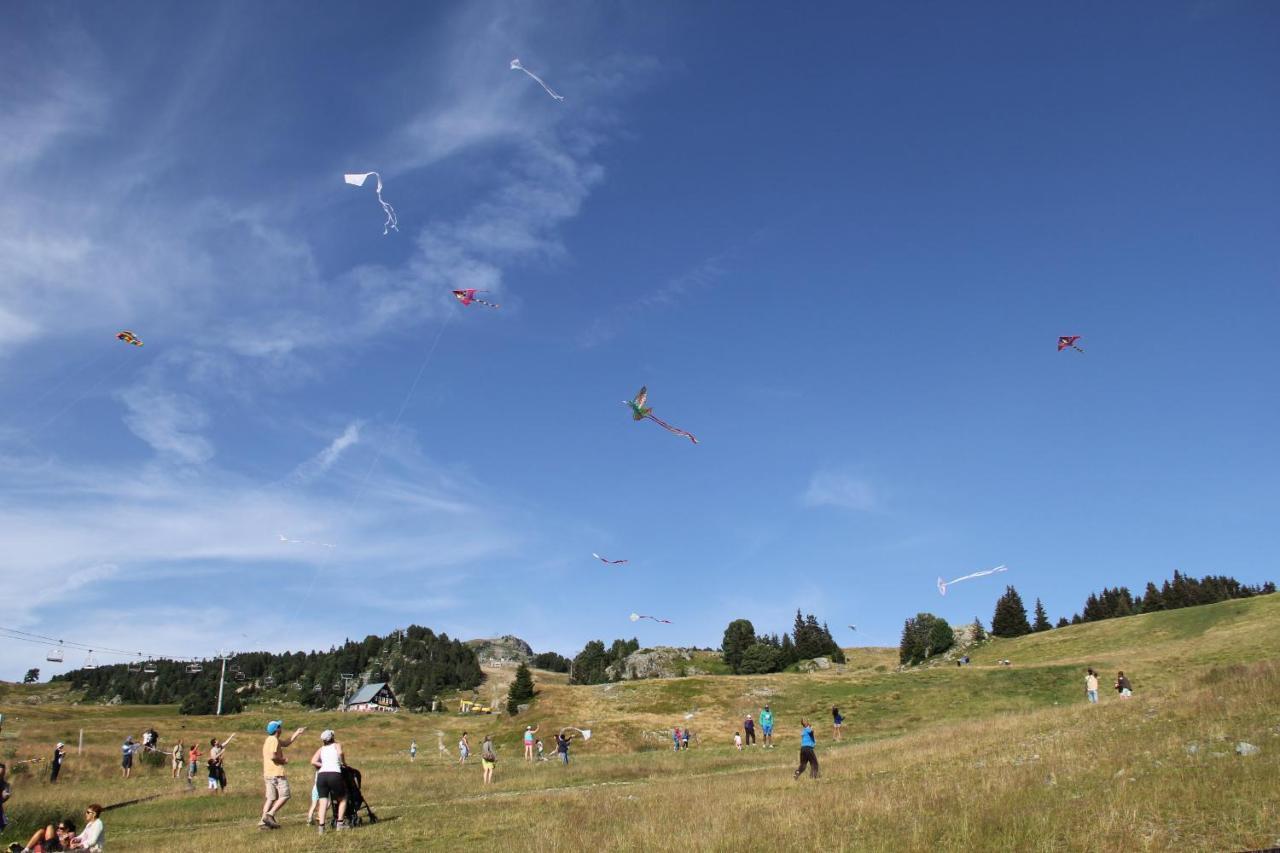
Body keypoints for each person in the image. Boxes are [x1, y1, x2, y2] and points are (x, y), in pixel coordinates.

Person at [259, 719, 307, 830]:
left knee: (270, 798)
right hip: (276, 773)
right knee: (285, 795)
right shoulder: (274, 741)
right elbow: (273, 756)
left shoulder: (270, 739)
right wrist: (283, 760)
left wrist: (297, 733)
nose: (281, 728)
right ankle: (270, 815)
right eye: (280, 726)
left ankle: (263, 822)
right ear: (277, 730)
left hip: (268, 773)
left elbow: (286, 743)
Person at [309, 730, 347, 833]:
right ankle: (340, 823)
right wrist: (343, 763)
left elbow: (313, 761)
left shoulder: (321, 749)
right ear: (332, 737)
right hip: (334, 774)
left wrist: (324, 765)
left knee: (323, 802)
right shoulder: (336, 745)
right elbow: (340, 753)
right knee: (343, 799)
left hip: (321, 776)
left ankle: (321, 827)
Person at [0, 763, 9, 834]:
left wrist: (5, 797)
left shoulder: (5, 784)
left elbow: (5, 797)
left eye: (3, 773)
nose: (1, 775)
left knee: (3, 824)